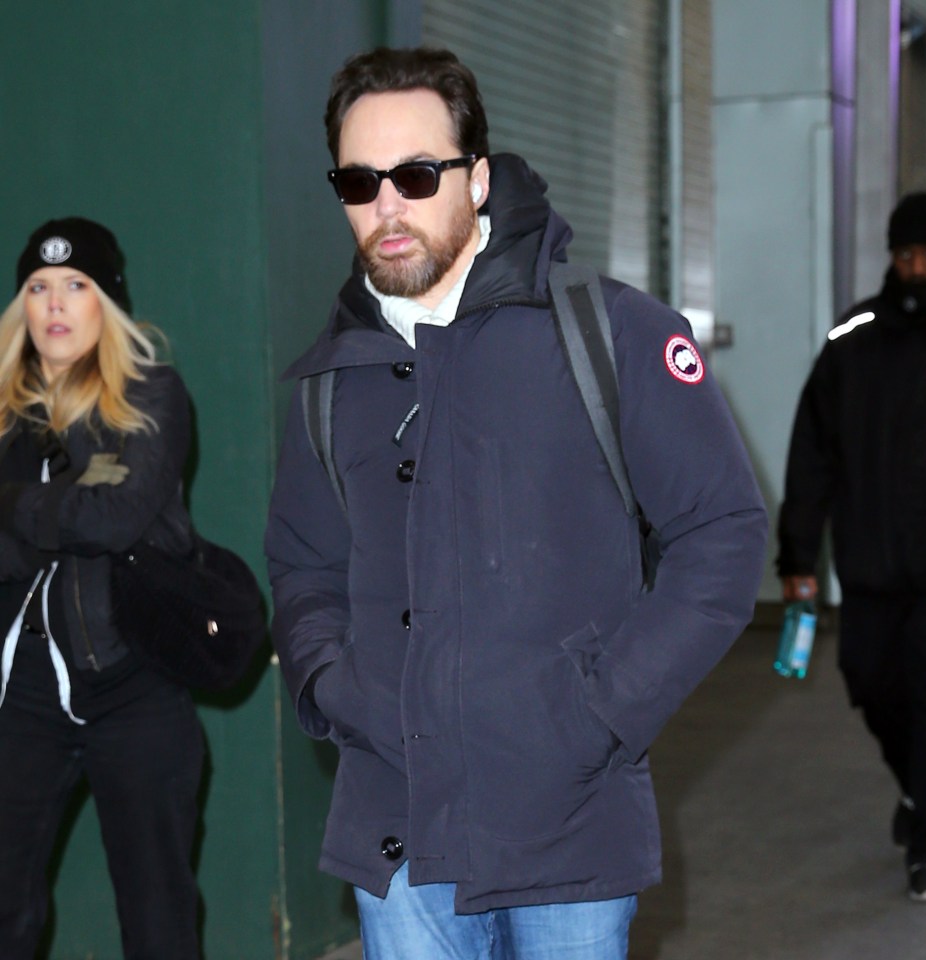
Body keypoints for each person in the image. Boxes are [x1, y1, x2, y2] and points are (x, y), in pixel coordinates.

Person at [265, 47, 767, 959]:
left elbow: (723, 534)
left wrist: (600, 714)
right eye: (358, 180)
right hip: (400, 827)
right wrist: (338, 688)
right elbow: (302, 565)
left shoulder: (609, 332)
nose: (387, 207)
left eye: (416, 175)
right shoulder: (329, 381)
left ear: (479, 177)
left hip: (569, 828)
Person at [0, 217, 204, 957]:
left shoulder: (150, 394)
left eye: (76, 286)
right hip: (21, 697)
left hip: (135, 689)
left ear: (106, 302)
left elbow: (113, 518)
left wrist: (15, 505)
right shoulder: (3, 412)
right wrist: (58, 513)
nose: (55, 303)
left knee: (158, 924)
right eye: (38, 287)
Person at [778, 191, 926, 903]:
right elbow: (812, 456)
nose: (918, 267)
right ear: (892, 256)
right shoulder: (854, 338)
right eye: (907, 254)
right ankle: (924, 790)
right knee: (873, 683)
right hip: (872, 563)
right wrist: (798, 558)